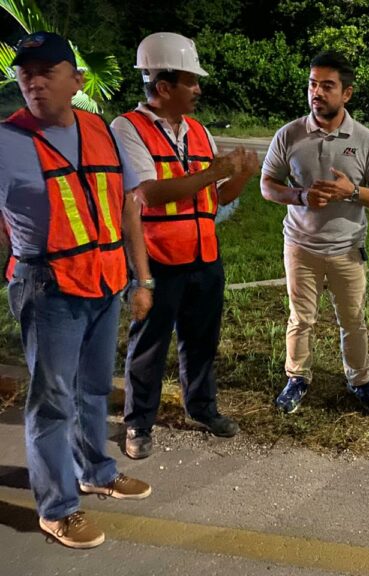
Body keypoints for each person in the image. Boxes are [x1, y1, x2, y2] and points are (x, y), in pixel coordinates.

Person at [0, 31, 153, 549]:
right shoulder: (5, 141)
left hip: (106, 281)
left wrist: (141, 276)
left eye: (47, 71)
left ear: (77, 80)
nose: (34, 81)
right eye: (26, 73)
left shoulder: (99, 132)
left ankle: (97, 471)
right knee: (52, 400)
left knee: (93, 389)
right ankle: (58, 507)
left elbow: (128, 206)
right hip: (48, 288)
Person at [111, 32, 260, 459]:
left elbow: (217, 198)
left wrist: (242, 174)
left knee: (201, 341)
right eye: (190, 82)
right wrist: (217, 172)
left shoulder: (197, 130)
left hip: (205, 257)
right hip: (159, 261)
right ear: (163, 87)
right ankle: (138, 423)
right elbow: (150, 194)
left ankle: (202, 407)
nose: (198, 89)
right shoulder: (128, 127)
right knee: (149, 346)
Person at [261, 51, 369, 414]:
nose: (317, 92)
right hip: (300, 245)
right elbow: (267, 185)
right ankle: (297, 377)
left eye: (327, 86)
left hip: (347, 249)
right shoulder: (289, 134)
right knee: (300, 318)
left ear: (346, 94)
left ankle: (360, 380)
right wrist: (300, 195)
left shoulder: (366, 141)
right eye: (312, 84)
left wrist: (351, 191)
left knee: (352, 320)